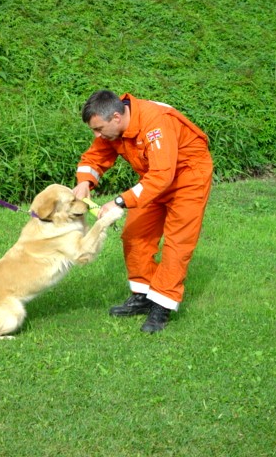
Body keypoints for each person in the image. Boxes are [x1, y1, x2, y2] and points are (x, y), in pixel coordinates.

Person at [73, 90, 213, 333]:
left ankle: (162, 305)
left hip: (189, 178)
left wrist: (119, 201)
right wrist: (85, 181)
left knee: (177, 243)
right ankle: (143, 295)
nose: (97, 135)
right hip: (155, 179)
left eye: (98, 129)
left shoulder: (155, 123)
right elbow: (95, 156)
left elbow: (162, 175)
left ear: (116, 117)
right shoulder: (113, 128)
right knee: (135, 235)